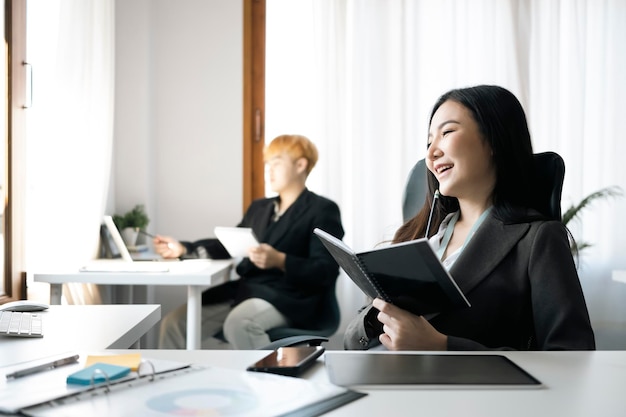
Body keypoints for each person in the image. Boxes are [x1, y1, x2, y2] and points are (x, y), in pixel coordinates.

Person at [344, 85, 596, 351]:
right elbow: (352, 342)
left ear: (494, 141)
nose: (431, 154)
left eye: (447, 132)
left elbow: (572, 354)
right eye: (429, 141)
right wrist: (377, 318)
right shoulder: (416, 238)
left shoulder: (537, 239)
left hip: (467, 391)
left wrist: (443, 347)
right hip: (380, 383)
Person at [156, 134, 344, 349]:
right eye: (268, 164)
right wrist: (182, 248)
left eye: (277, 162)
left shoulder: (322, 210)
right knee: (174, 323)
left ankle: (265, 381)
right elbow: (226, 245)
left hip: (291, 299)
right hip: (247, 291)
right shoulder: (259, 208)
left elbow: (325, 270)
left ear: (301, 164)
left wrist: (280, 260)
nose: (269, 169)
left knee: (240, 324)